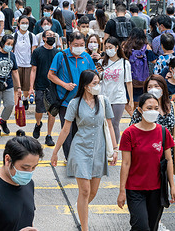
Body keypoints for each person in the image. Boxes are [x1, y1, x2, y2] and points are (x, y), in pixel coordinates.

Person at [51, 70, 118, 231]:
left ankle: (81, 207)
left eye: (98, 82)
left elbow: (110, 125)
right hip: (80, 149)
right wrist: (55, 151)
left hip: (99, 149)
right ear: (86, 86)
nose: (98, 86)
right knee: (85, 190)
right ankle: (85, 228)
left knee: (93, 192)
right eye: (94, 83)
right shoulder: (75, 103)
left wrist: (115, 149)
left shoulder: (104, 101)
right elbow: (65, 130)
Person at [118, 93, 175, 231]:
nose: (153, 111)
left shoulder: (163, 132)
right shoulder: (129, 133)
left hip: (157, 189)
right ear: (140, 110)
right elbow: (125, 164)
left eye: (156, 108)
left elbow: (168, 160)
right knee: (141, 227)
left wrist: (172, 186)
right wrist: (121, 191)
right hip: (135, 189)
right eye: (149, 108)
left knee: (152, 227)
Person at [48, 31, 97, 159]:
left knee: (79, 130)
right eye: (76, 44)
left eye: (81, 44)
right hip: (66, 101)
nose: (79, 47)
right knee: (67, 131)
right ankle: (69, 159)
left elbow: (94, 75)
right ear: (69, 44)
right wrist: (64, 85)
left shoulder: (86, 57)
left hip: (83, 100)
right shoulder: (60, 56)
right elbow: (51, 75)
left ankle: (78, 156)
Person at [97, 37, 133, 142]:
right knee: (103, 123)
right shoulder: (101, 62)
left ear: (117, 48)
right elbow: (97, 79)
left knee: (114, 124)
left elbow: (128, 82)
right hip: (103, 97)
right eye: (106, 47)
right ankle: (105, 146)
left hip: (119, 97)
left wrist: (130, 99)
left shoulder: (124, 63)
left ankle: (114, 148)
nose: (108, 50)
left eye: (110, 47)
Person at [29, 30, 58, 146]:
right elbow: (33, 70)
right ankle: (38, 124)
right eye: (49, 35)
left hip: (53, 86)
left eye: (53, 35)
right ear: (44, 38)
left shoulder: (58, 53)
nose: (51, 37)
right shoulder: (37, 52)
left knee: (52, 112)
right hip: (40, 85)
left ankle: (49, 135)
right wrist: (31, 87)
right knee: (39, 110)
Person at [123, 28, 157, 110]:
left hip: (130, 80)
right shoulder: (146, 47)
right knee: (141, 101)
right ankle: (138, 115)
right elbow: (153, 60)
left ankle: (133, 116)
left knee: (128, 101)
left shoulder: (126, 46)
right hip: (143, 81)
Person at [13, 15, 38, 98]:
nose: (25, 25)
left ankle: (24, 99)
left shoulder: (32, 36)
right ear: (18, 23)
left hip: (28, 65)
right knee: (16, 88)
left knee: (26, 89)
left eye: (26, 23)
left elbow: (33, 51)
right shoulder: (14, 36)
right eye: (23, 23)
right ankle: (17, 106)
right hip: (17, 66)